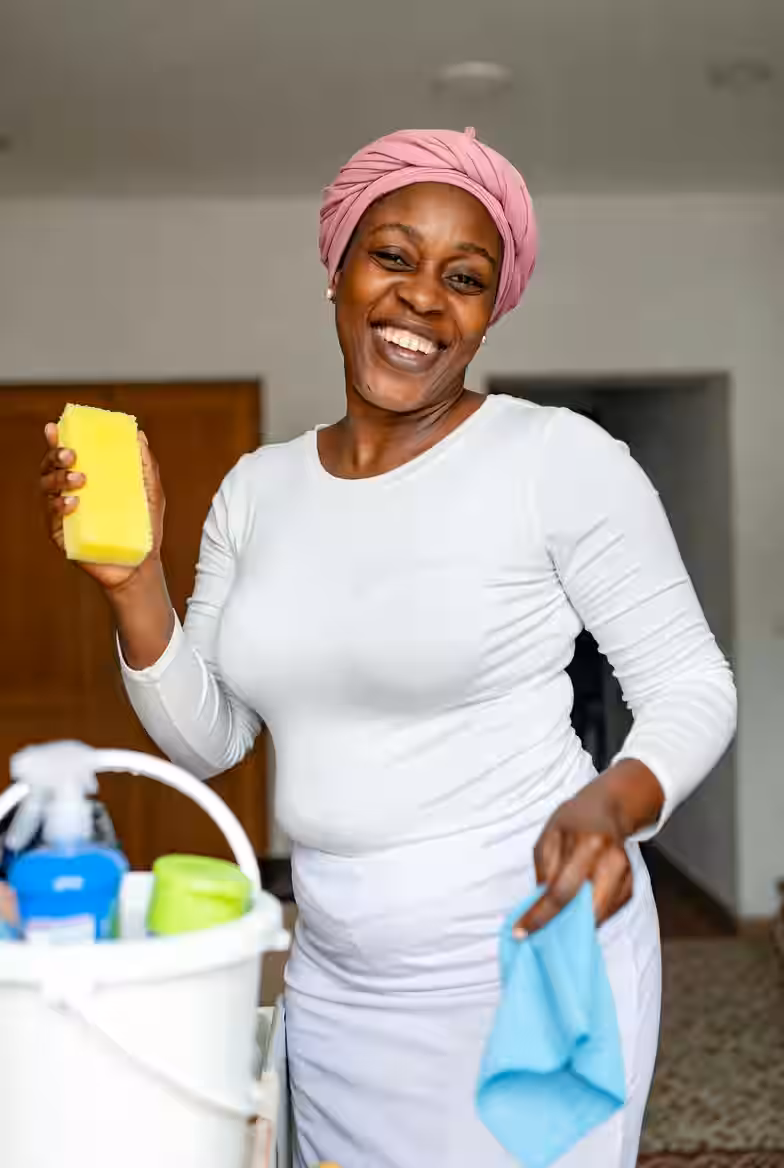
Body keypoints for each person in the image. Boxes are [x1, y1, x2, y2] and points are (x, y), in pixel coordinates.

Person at [39, 127, 737, 1168]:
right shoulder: (257, 490)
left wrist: (614, 799)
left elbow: (690, 684)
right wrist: (133, 581)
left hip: (528, 962)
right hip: (336, 981)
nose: (422, 297)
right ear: (337, 269)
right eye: (393, 255)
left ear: (489, 313)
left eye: (464, 277)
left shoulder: (555, 459)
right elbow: (209, 740)